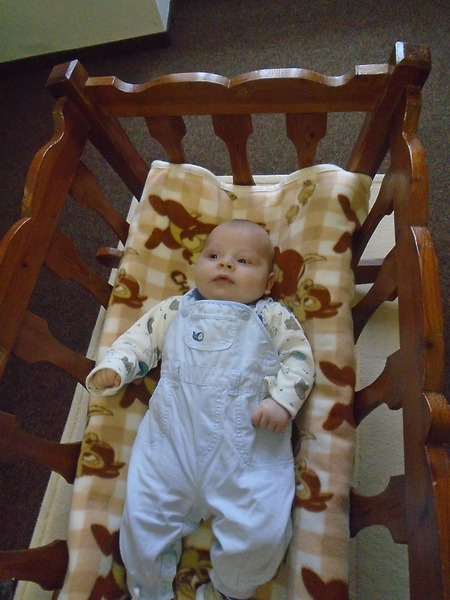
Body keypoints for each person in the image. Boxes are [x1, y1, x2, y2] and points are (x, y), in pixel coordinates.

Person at [86, 219, 315, 600]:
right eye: (214, 256)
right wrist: (117, 366)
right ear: (197, 266)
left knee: (263, 532)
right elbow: (139, 340)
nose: (225, 264)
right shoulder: (175, 309)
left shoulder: (273, 316)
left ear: (269, 282)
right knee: (142, 520)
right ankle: (150, 589)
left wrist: (281, 401)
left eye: (243, 261)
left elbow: (299, 360)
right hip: (171, 448)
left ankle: (229, 589)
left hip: (246, 455)